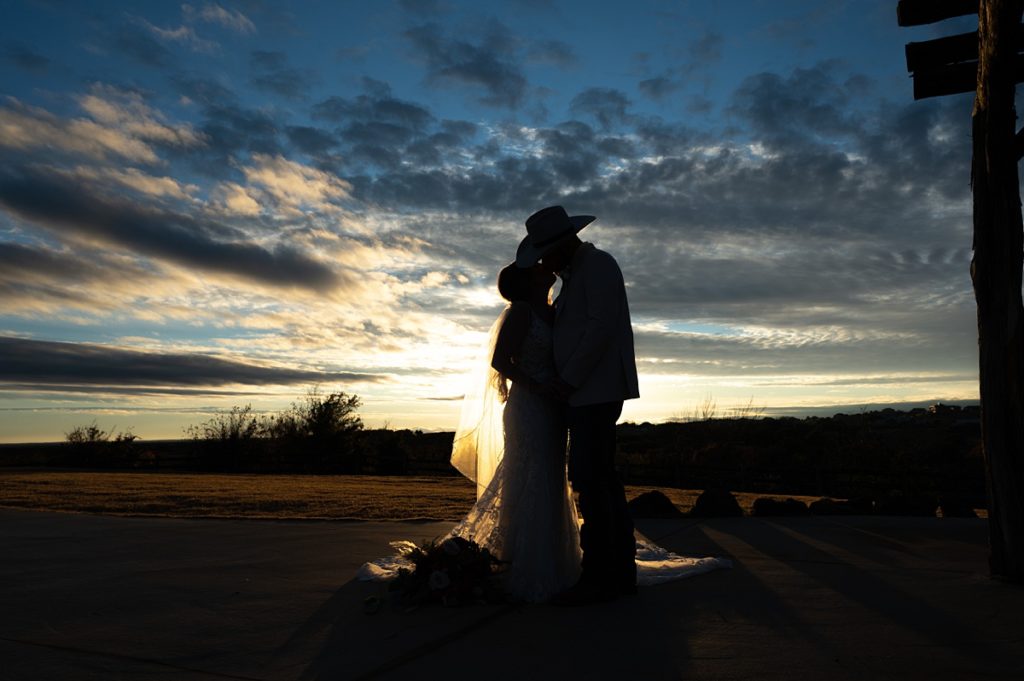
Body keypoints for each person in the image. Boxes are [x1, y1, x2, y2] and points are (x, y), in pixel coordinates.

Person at [515, 205, 640, 605]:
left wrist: (568, 380)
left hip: (595, 392)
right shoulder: (577, 274)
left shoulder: (599, 265)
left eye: (545, 254)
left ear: (561, 245)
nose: (545, 263)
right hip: (584, 393)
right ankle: (613, 572)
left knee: (592, 481)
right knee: (595, 481)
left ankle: (604, 575)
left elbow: (600, 328)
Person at [446, 262, 582, 602]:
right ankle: (526, 564)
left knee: (550, 476)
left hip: (552, 408)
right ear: (528, 282)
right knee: (529, 475)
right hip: (529, 405)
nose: (545, 268)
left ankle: (556, 561)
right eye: (538, 269)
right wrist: (539, 386)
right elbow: (501, 362)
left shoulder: (551, 310)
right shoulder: (520, 312)